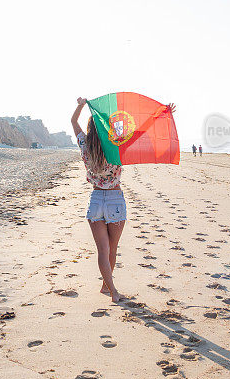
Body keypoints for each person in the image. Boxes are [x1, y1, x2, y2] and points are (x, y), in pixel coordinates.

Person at [71, 97, 175, 302]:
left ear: (90, 130)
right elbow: (141, 131)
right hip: (115, 200)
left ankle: (107, 287)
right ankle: (113, 291)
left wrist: (81, 105)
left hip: (96, 200)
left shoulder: (85, 146)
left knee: (102, 249)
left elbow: (73, 122)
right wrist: (161, 114)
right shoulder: (116, 144)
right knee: (112, 247)